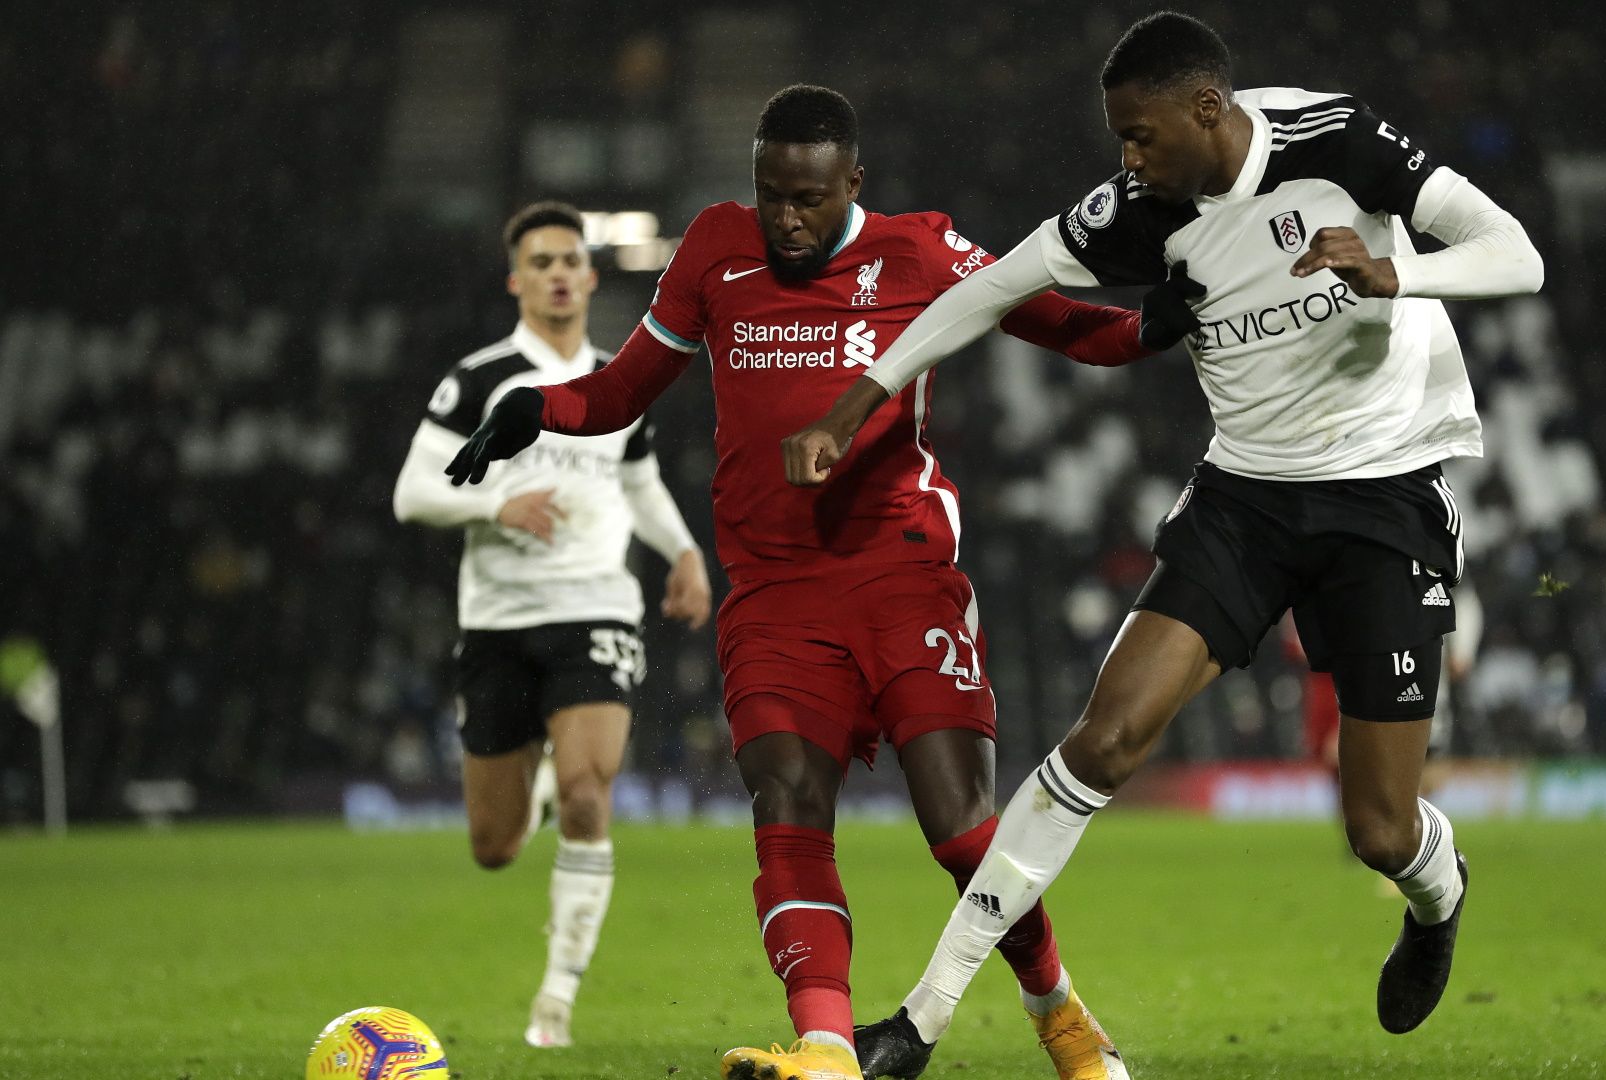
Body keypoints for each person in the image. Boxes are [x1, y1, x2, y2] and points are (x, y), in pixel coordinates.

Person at [782, 11, 1544, 1067]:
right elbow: (989, 289)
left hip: (1384, 496)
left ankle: (1438, 892)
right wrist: (853, 402)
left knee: (1379, 827)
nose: (1127, 160)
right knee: (1105, 737)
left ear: (1206, 109)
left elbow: (1519, 254)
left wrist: (1396, 272)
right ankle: (923, 1018)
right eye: (1118, 141)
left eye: (1139, 136)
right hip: (1247, 500)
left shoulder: (1337, 141)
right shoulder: (1139, 209)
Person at [444, 86, 1191, 1080]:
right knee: (786, 802)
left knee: (963, 826)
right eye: (768, 196)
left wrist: (1170, 316)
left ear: (853, 183)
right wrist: (537, 406)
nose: (785, 220)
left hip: (901, 578)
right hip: (772, 594)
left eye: (806, 198)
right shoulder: (715, 247)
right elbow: (623, 389)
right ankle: (829, 1049)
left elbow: (1070, 326)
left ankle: (1061, 1018)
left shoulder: (919, 254)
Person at [392, 200, 713, 1048]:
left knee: (587, 792)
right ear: (517, 280)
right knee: (493, 847)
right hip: (498, 620)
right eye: (541, 262)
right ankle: (529, 794)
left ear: (591, 275)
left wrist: (682, 552)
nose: (559, 273)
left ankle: (555, 1004)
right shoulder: (480, 379)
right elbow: (413, 492)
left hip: (596, 606)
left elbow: (637, 479)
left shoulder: (617, 384)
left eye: (570, 259)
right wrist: (499, 502)